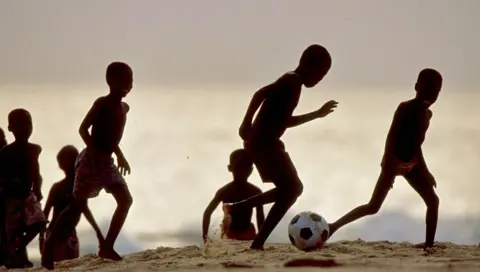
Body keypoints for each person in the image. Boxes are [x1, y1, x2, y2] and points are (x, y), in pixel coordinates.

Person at [222, 44, 338, 250]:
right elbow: (260, 93)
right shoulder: (291, 80)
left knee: (290, 189)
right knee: (292, 188)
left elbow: (285, 121)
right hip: (263, 142)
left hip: (267, 141)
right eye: (320, 73)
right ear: (307, 64)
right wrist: (245, 122)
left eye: (324, 76)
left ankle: (240, 214)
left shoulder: (294, 83)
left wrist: (317, 114)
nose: (320, 79)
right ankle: (244, 221)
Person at [328, 68, 442, 252]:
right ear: (416, 87)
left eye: (436, 91)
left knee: (433, 201)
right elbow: (392, 137)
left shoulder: (427, 115)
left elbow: (417, 144)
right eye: (427, 88)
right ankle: (333, 227)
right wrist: (388, 163)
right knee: (373, 206)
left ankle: (429, 245)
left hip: (412, 164)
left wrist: (426, 171)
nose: (431, 94)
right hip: (393, 161)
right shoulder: (405, 107)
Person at [41, 62, 134, 270]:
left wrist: (120, 156)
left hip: (107, 163)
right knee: (75, 207)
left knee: (125, 200)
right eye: (124, 80)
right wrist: (93, 151)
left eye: (131, 80)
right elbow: (83, 129)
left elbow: (113, 139)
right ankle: (48, 249)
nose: (129, 84)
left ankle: (107, 246)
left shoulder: (124, 109)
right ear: (111, 82)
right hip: (91, 161)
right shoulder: (102, 103)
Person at [39, 145, 104, 262]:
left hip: (69, 235)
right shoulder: (59, 187)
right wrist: (41, 237)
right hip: (56, 235)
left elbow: (84, 208)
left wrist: (98, 231)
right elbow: (46, 213)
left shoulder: (78, 186)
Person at [0, 109, 47, 268]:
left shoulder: (34, 149)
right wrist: (10, 180)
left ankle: (14, 247)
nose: (26, 128)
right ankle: (14, 255)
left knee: (39, 223)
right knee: (14, 229)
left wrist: (38, 188)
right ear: (10, 128)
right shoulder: (6, 152)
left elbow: (36, 171)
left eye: (29, 124)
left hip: (28, 195)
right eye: (20, 125)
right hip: (12, 198)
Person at [202, 149, 265, 243]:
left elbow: (260, 215)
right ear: (230, 168)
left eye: (247, 166)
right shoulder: (224, 192)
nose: (243, 170)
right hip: (229, 233)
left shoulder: (255, 192)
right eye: (239, 166)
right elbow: (207, 212)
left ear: (251, 170)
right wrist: (205, 236)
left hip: (248, 232)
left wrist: (261, 238)